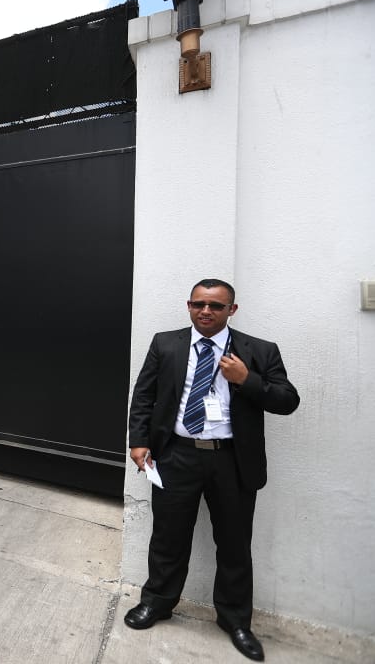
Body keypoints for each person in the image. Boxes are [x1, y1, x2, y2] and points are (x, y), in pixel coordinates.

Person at [124, 279, 300, 661]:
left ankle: (235, 620)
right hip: (177, 456)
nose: (206, 311)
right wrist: (139, 442)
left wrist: (247, 380)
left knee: (235, 544)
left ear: (232, 310)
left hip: (232, 461)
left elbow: (288, 401)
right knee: (168, 538)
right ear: (189, 305)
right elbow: (144, 396)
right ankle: (157, 603)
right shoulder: (165, 343)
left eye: (216, 306)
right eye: (198, 303)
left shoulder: (259, 351)